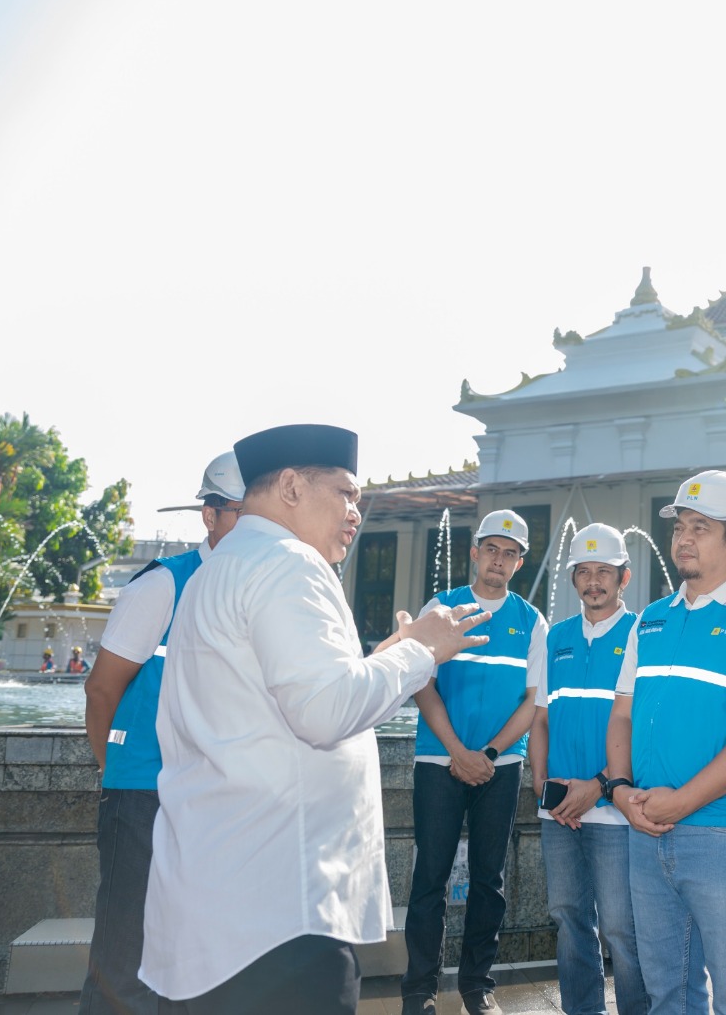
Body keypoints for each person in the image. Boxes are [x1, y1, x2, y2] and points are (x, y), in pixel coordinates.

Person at [139, 424, 490, 1014]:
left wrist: (382, 661)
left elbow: (293, 698)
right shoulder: (289, 564)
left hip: (226, 898)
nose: (356, 512)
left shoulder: (217, 569)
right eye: (346, 493)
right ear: (292, 487)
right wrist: (419, 652)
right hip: (281, 913)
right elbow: (325, 713)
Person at [605, 469, 726, 1015]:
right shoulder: (649, 621)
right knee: (667, 992)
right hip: (647, 828)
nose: (684, 539)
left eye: (701, 527)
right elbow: (621, 715)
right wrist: (620, 790)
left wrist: (681, 803)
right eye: (679, 527)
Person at [78, 451, 246, 1014]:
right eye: (241, 514)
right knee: (125, 957)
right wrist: (119, 772)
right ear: (210, 516)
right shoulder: (162, 585)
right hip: (143, 794)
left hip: (216, 801)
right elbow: (102, 690)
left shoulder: (258, 593)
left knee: (192, 962)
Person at [404, 509, 548, 1015]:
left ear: (519, 563)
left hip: (499, 767)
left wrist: (487, 754)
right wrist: (457, 751)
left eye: (510, 553)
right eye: (491, 549)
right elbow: (421, 684)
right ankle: (419, 991)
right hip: (437, 761)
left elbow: (533, 702)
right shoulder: (441, 608)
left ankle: (476, 986)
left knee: (490, 880)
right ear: (474, 552)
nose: (499, 560)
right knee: (430, 878)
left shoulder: (532, 622)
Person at [527, 523, 647, 1015]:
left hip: (615, 806)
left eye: (604, 571)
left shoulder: (642, 634)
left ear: (624, 577)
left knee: (621, 926)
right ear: (573, 577)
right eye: (584, 572)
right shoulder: (555, 638)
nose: (593, 581)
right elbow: (540, 719)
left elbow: (642, 726)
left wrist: (598, 786)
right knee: (569, 917)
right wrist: (542, 786)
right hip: (559, 811)